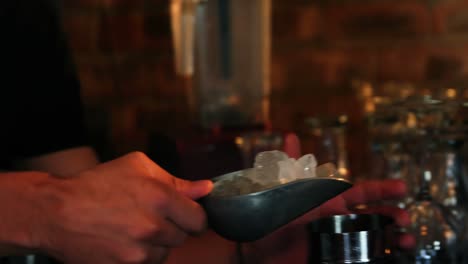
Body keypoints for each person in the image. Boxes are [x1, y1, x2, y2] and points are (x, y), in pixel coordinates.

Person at [0, 0, 412, 263]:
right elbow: (65, 211)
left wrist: (247, 246)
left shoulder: (23, 18)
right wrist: (43, 212)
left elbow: (96, 236)